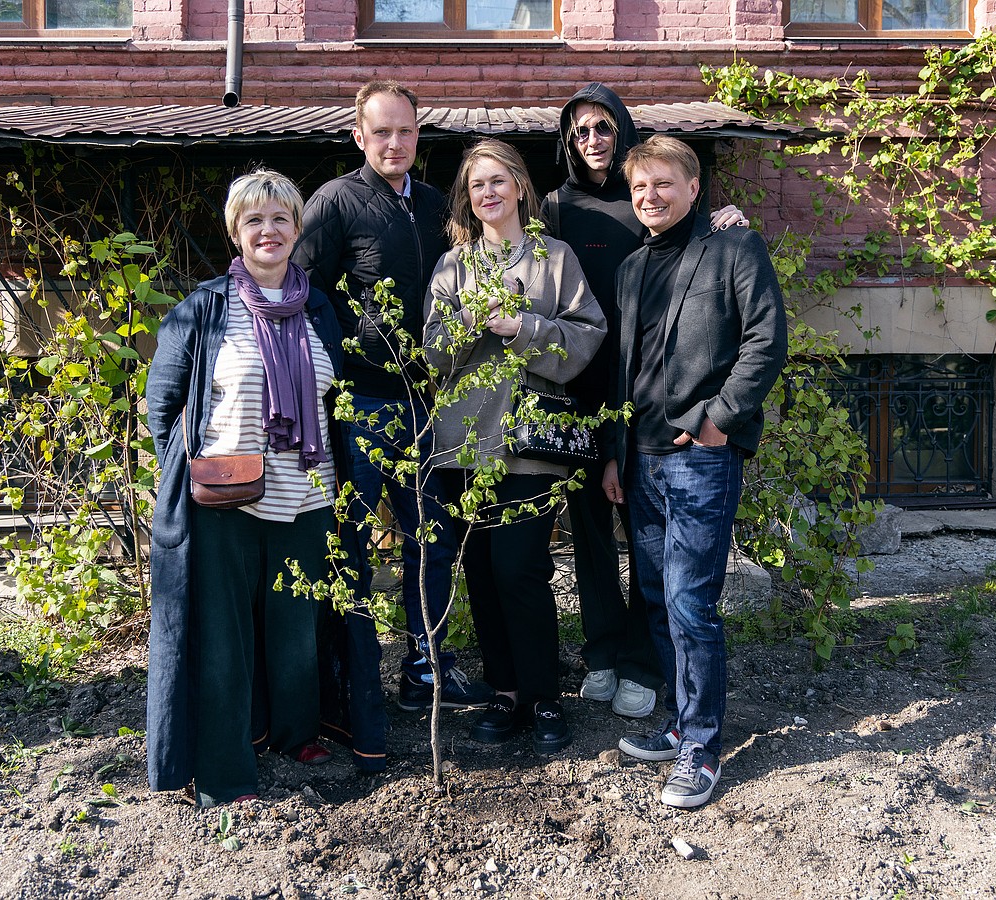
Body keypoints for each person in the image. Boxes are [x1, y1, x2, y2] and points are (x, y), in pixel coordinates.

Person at [145, 168, 356, 806]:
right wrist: (192, 476)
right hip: (226, 502)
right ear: (237, 231)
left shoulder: (319, 306)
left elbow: (336, 399)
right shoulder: (205, 306)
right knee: (224, 637)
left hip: (308, 494)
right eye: (254, 221)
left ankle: (296, 734)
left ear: (297, 229)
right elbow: (162, 408)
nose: (269, 231)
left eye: (281, 219)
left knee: (296, 624)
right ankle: (226, 763)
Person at [541, 83, 747, 720]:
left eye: (604, 127)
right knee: (589, 536)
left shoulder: (648, 198)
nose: (594, 140)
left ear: (622, 130)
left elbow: (697, 242)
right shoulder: (553, 207)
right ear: (569, 141)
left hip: (648, 395)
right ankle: (602, 652)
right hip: (576, 389)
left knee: (646, 539)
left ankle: (641, 661)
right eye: (581, 131)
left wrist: (727, 217)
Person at [292, 80, 492, 715]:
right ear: (360, 137)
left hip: (430, 402)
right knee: (347, 541)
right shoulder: (335, 203)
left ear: (418, 135)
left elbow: (503, 239)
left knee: (431, 538)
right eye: (382, 132)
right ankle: (351, 678)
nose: (395, 143)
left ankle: (424, 667)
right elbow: (304, 297)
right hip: (361, 406)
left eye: (405, 131)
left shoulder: (437, 205)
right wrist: (325, 386)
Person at [603, 136, 787, 808]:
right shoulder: (630, 269)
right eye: (640, 187)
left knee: (690, 603)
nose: (650, 197)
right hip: (641, 459)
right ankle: (680, 724)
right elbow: (626, 370)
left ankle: (703, 748)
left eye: (663, 184)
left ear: (692, 186)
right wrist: (614, 455)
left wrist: (719, 421)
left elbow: (767, 340)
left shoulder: (733, 247)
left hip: (699, 458)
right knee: (656, 597)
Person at [424, 139, 606, 754]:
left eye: (499, 180)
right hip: (465, 446)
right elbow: (432, 353)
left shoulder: (556, 260)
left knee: (520, 569)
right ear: (468, 198)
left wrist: (523, 326)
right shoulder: (453, 267)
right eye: (477, 185)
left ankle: (544, 694)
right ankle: (503, 693)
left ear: (522, 187)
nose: (489, 192)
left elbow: (589, 335)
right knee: (480, 571)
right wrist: (473, 321)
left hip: (533, 445)